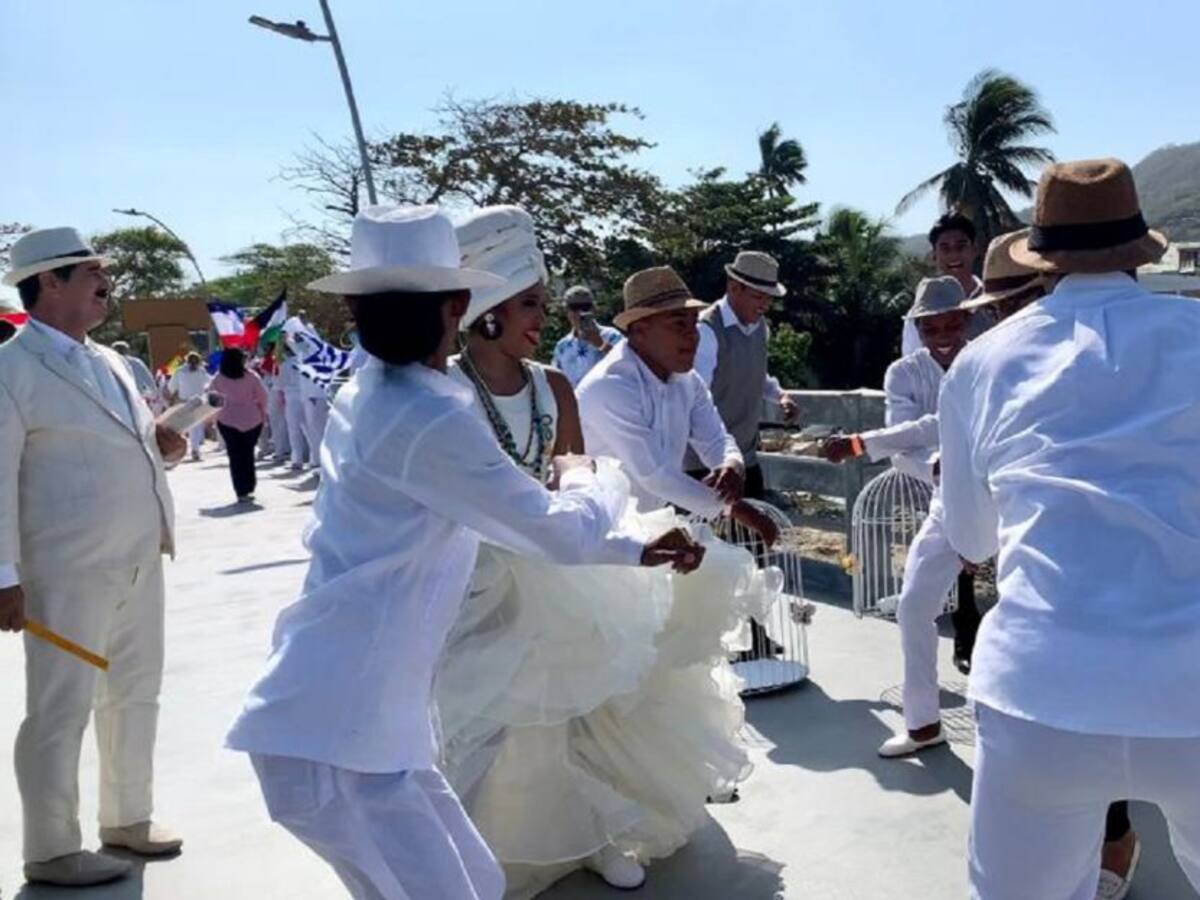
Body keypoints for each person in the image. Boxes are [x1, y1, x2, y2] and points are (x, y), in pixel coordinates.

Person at [225, 205, 699, 900]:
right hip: (342, 736)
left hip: (361, 718)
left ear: (355, 310)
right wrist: (587, 474)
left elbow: (504, 517)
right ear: (458, 306)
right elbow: (557, 530)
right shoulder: (429, 412)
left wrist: (634, 545)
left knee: (474, 878)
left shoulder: (374, 392)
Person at [439, 207, 766, 896]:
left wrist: (614, 529)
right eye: (530, 304)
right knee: (500, 721)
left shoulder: (554, 385)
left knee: (592, 706)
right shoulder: (446, 392)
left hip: (569, 558)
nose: (544, 318)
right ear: (487, 311)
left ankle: (600, 831)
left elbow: (576, 471)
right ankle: (482, 847)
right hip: (478, 573)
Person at [938, 159, 1200, 900]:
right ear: (1139, 252)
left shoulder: (982, 363)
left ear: (1041, 260)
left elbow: (974, 539)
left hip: (1042, 690)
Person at [0, 227, 186, 887]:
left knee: (136, 693)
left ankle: (126, 818)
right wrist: (3, 577)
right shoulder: (11, 368)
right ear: (48, 281)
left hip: (138, 558)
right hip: (65, 572)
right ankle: (51, 848)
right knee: (60, 706)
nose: (106, 276)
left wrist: (160, 445)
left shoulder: (107, 359)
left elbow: (124, 441)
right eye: (90, 269)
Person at [577, 266, 780, 543]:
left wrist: (730, 464)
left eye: (694, 323)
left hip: (648, 526)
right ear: (638, 331)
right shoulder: (610, 386)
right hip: (596, 533)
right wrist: (734, 507)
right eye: (678, 324)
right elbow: (655, 474)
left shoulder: (687, 381)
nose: (693, 335)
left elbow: (716, 438)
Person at [689, 250, 799, 496]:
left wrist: (780, 396)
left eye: (769, 298)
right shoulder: (706, 330)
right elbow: (694, 400)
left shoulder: (761, 328)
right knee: (699, 533)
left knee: (752, 532)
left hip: (744, 457)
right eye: (758, 296)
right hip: (703, 463)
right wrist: (717, 457)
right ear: (733, 287)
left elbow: (757, 375)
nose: (764, 305)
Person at [901, 213, 985, 357]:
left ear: (974, 250)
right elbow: (913, 362)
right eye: (945, 248)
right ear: (934, 256)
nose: (954, 255)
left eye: (961, 247)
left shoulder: (996, 303)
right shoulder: (919, 315)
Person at [207, 347, 269, 502]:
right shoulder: (252, 377)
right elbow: (263, 397)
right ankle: (249, 486)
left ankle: (240, 490)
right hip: (252, 420)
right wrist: (262, 414)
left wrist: (214, 418)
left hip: (227, 420)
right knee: (248, 454)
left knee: (235, 456)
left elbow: (211, 399)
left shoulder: (218, 378)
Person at [550, 285, 622, 387]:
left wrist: (600, 343)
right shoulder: (562, 347)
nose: (580, 313)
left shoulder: (612, 336)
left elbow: (627, 363)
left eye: (585, 307)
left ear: (593, 309)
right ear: (567, 311)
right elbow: (556, 381)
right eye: (574, 307)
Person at [167, 351, 210, 461]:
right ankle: (195, 449)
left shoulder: (180, 371)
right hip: (196, 402)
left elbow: (171, 387)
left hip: (185, 402)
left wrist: (171, 396)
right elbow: (208, 384)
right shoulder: (201, 370)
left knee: (188, 427)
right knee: (195, 427)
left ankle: (190, 448)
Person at [109, 340, 159, 410]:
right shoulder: (136, 362)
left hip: (119, 399)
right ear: (127, 351)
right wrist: (155, 394)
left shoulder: (110, 363)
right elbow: (148, 379)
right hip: (138, 398)